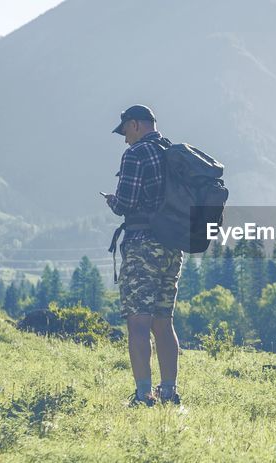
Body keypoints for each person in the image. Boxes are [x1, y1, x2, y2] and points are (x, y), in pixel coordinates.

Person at [103, 104, 184, 406]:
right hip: (172, 248)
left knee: (138, 323)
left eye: (125, 132)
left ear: (135, 125)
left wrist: (113, 202)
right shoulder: (172, 153)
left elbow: (126, 202)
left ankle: (143, 396)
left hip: (142, 247)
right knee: (164, 322)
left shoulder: (136, 154)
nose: (125, 139)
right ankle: (169, 393)